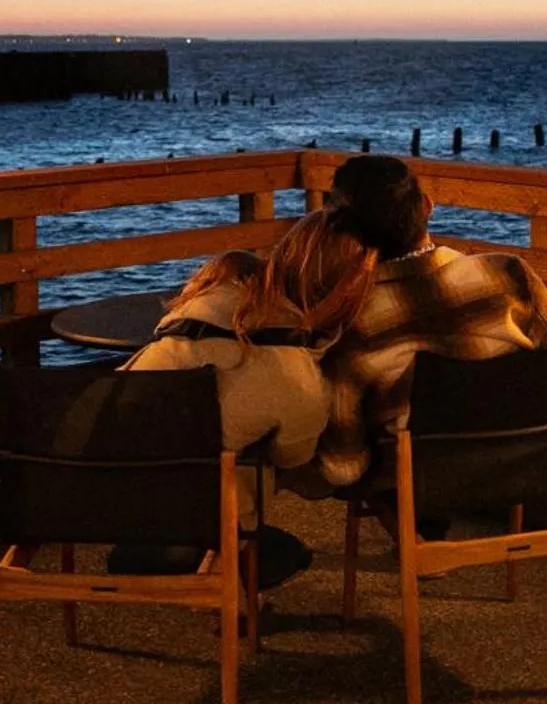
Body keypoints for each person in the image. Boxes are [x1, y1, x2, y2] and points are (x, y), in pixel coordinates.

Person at [114, 206, 377, 583]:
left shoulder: (186, 319)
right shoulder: (297, 377)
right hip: (201, 523)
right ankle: (220, 583)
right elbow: (294, 458)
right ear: (344, 295)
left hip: (108, 504)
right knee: (267, 493)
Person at [313, 154, 547, 489]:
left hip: (423, 486)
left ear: (341, 231)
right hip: (526, 467)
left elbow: (343, 468)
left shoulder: (352, 325)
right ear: (427, 206)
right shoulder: (509, 274)